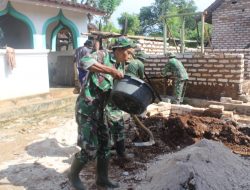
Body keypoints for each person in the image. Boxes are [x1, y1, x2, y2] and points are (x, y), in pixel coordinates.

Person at [68, 36, 134, 190]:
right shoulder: (102, 56)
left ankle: (102, 179)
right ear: (119, 50)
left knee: (105, 144)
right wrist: (110, 70)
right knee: (89, 147)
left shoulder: (121, 65)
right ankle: (73, 175)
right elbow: (84, 62)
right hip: (87, 109)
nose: (129, 56)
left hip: (101, 111)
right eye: (128, 52)